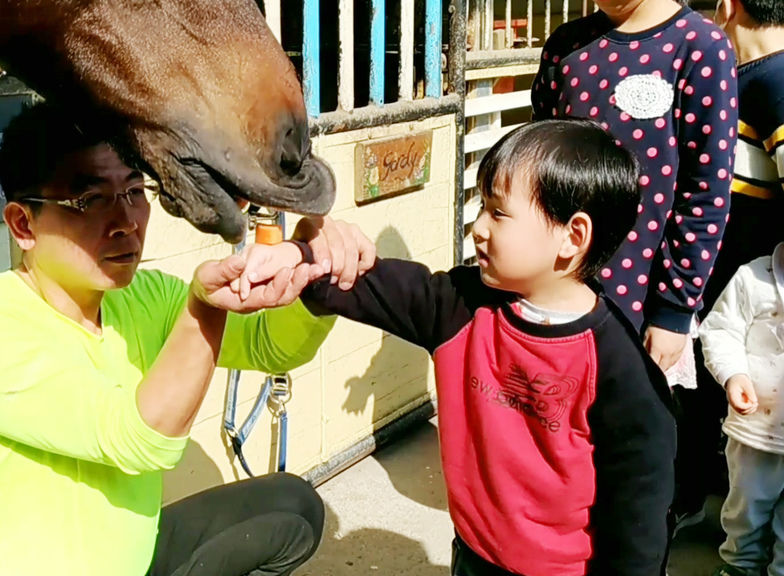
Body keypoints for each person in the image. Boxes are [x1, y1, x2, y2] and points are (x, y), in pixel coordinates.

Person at [0, 102, 373, 576]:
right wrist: (206, 308)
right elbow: (138, 438)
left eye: (134, 190)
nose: (126, 221)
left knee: (293, 506)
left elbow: (266, 345)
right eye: (90, 200)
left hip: (130, 559)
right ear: (23, 224)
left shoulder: (143, 296)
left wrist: (317, 276)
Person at [239, 119, 677, 575]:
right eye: (481, 206)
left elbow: (639, 520)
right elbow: (368, 285)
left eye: (499, 213)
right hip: (471, 557)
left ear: (573, 236)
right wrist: (303, 258)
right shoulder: (461, 306)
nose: (479, 227)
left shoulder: (620, 370)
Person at [530, 0, 739, 530]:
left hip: (640, 305)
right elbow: (537, 162)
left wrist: (673, 310)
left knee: (631, 466)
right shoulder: (566, 44)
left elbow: (705, 191)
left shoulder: (699, 47)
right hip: (556, 291)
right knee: (554, 448)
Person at [678, 0, 784, 533]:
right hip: (723, 301)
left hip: (750, 306)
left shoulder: (774, 80)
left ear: (727, 6)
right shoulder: (745, 78)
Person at [699, 243, 784, 576]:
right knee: (745, 510)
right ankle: (739, 565)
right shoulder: (753, 277)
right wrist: (733, 374)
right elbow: (721, 330)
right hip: (755, 432)